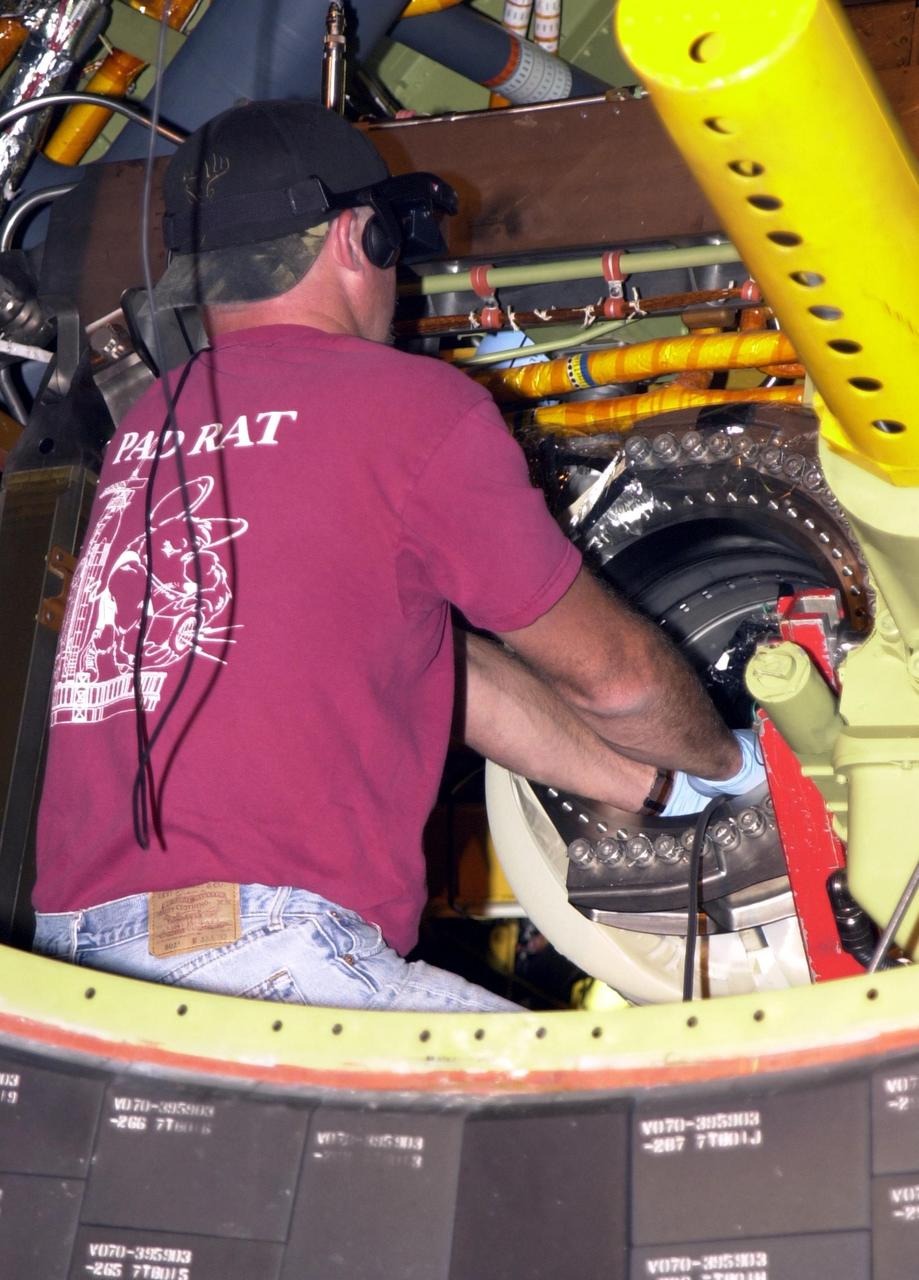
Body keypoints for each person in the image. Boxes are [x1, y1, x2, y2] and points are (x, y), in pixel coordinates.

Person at [32, 99, 762, 1012]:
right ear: (359, 239)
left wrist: (653, 788)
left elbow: (435, 667)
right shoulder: (409, 405)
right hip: (265, 953)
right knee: (640, 1130)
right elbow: (616, 678)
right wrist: (738, 768)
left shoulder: (152, 420)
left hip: (69, 971)